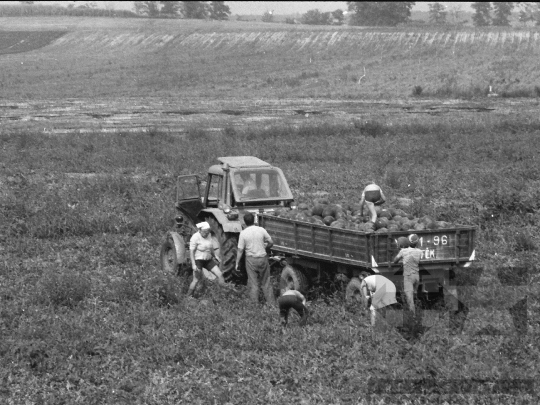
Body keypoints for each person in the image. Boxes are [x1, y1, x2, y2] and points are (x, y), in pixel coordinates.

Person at [235, 212, 275, 306]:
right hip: (262, 258)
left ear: (244, 222)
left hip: (251, 260)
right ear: (254, 220)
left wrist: (237, 263)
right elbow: (271, 242)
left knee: (253, 283)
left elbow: (240, 250)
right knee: (266, 282)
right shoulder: (261, 230)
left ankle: (254, 306)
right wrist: (265, 247)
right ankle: (272, 304)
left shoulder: (243, 233)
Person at [187, 221, 226, 297]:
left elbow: (211, 247)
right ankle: (188, 296)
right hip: (198, 260)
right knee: (196, 280)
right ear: (200, 230)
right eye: (204, 232)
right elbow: (191, 252)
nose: (206, 233)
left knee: (220, 275)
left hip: (208, 260)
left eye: (208, 232)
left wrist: (215, 256)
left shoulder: (209, 235)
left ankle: (223, 294)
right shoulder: (195, 237)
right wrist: (193, 265)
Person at [393, 234, 422, 316]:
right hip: (417, 276)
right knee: (414, 295)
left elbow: (395, 260)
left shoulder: (403, 251)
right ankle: (418, 311)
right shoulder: (420, 252)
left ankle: (413, 316)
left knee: (410, 299)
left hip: (408, 277)